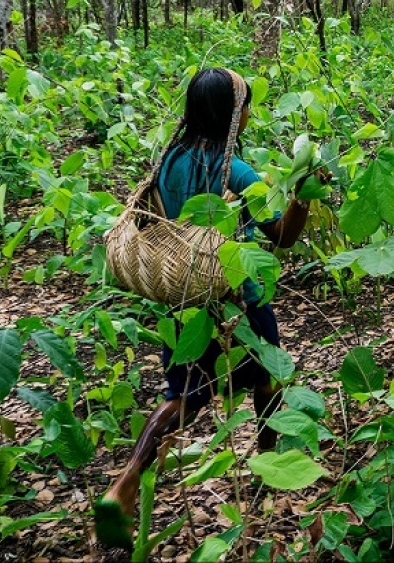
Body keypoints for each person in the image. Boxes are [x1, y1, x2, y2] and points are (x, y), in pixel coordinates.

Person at [95, 67, 323, 549]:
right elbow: (281, 238)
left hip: (183, 304)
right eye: (245, 105)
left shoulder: (168, 161)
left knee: (181, 396)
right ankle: (266, 477)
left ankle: (126, 482)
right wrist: (303, 198)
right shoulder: (235, 171)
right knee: (267, 380)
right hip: (237, 301)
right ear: (231, 114)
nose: (249, 111)